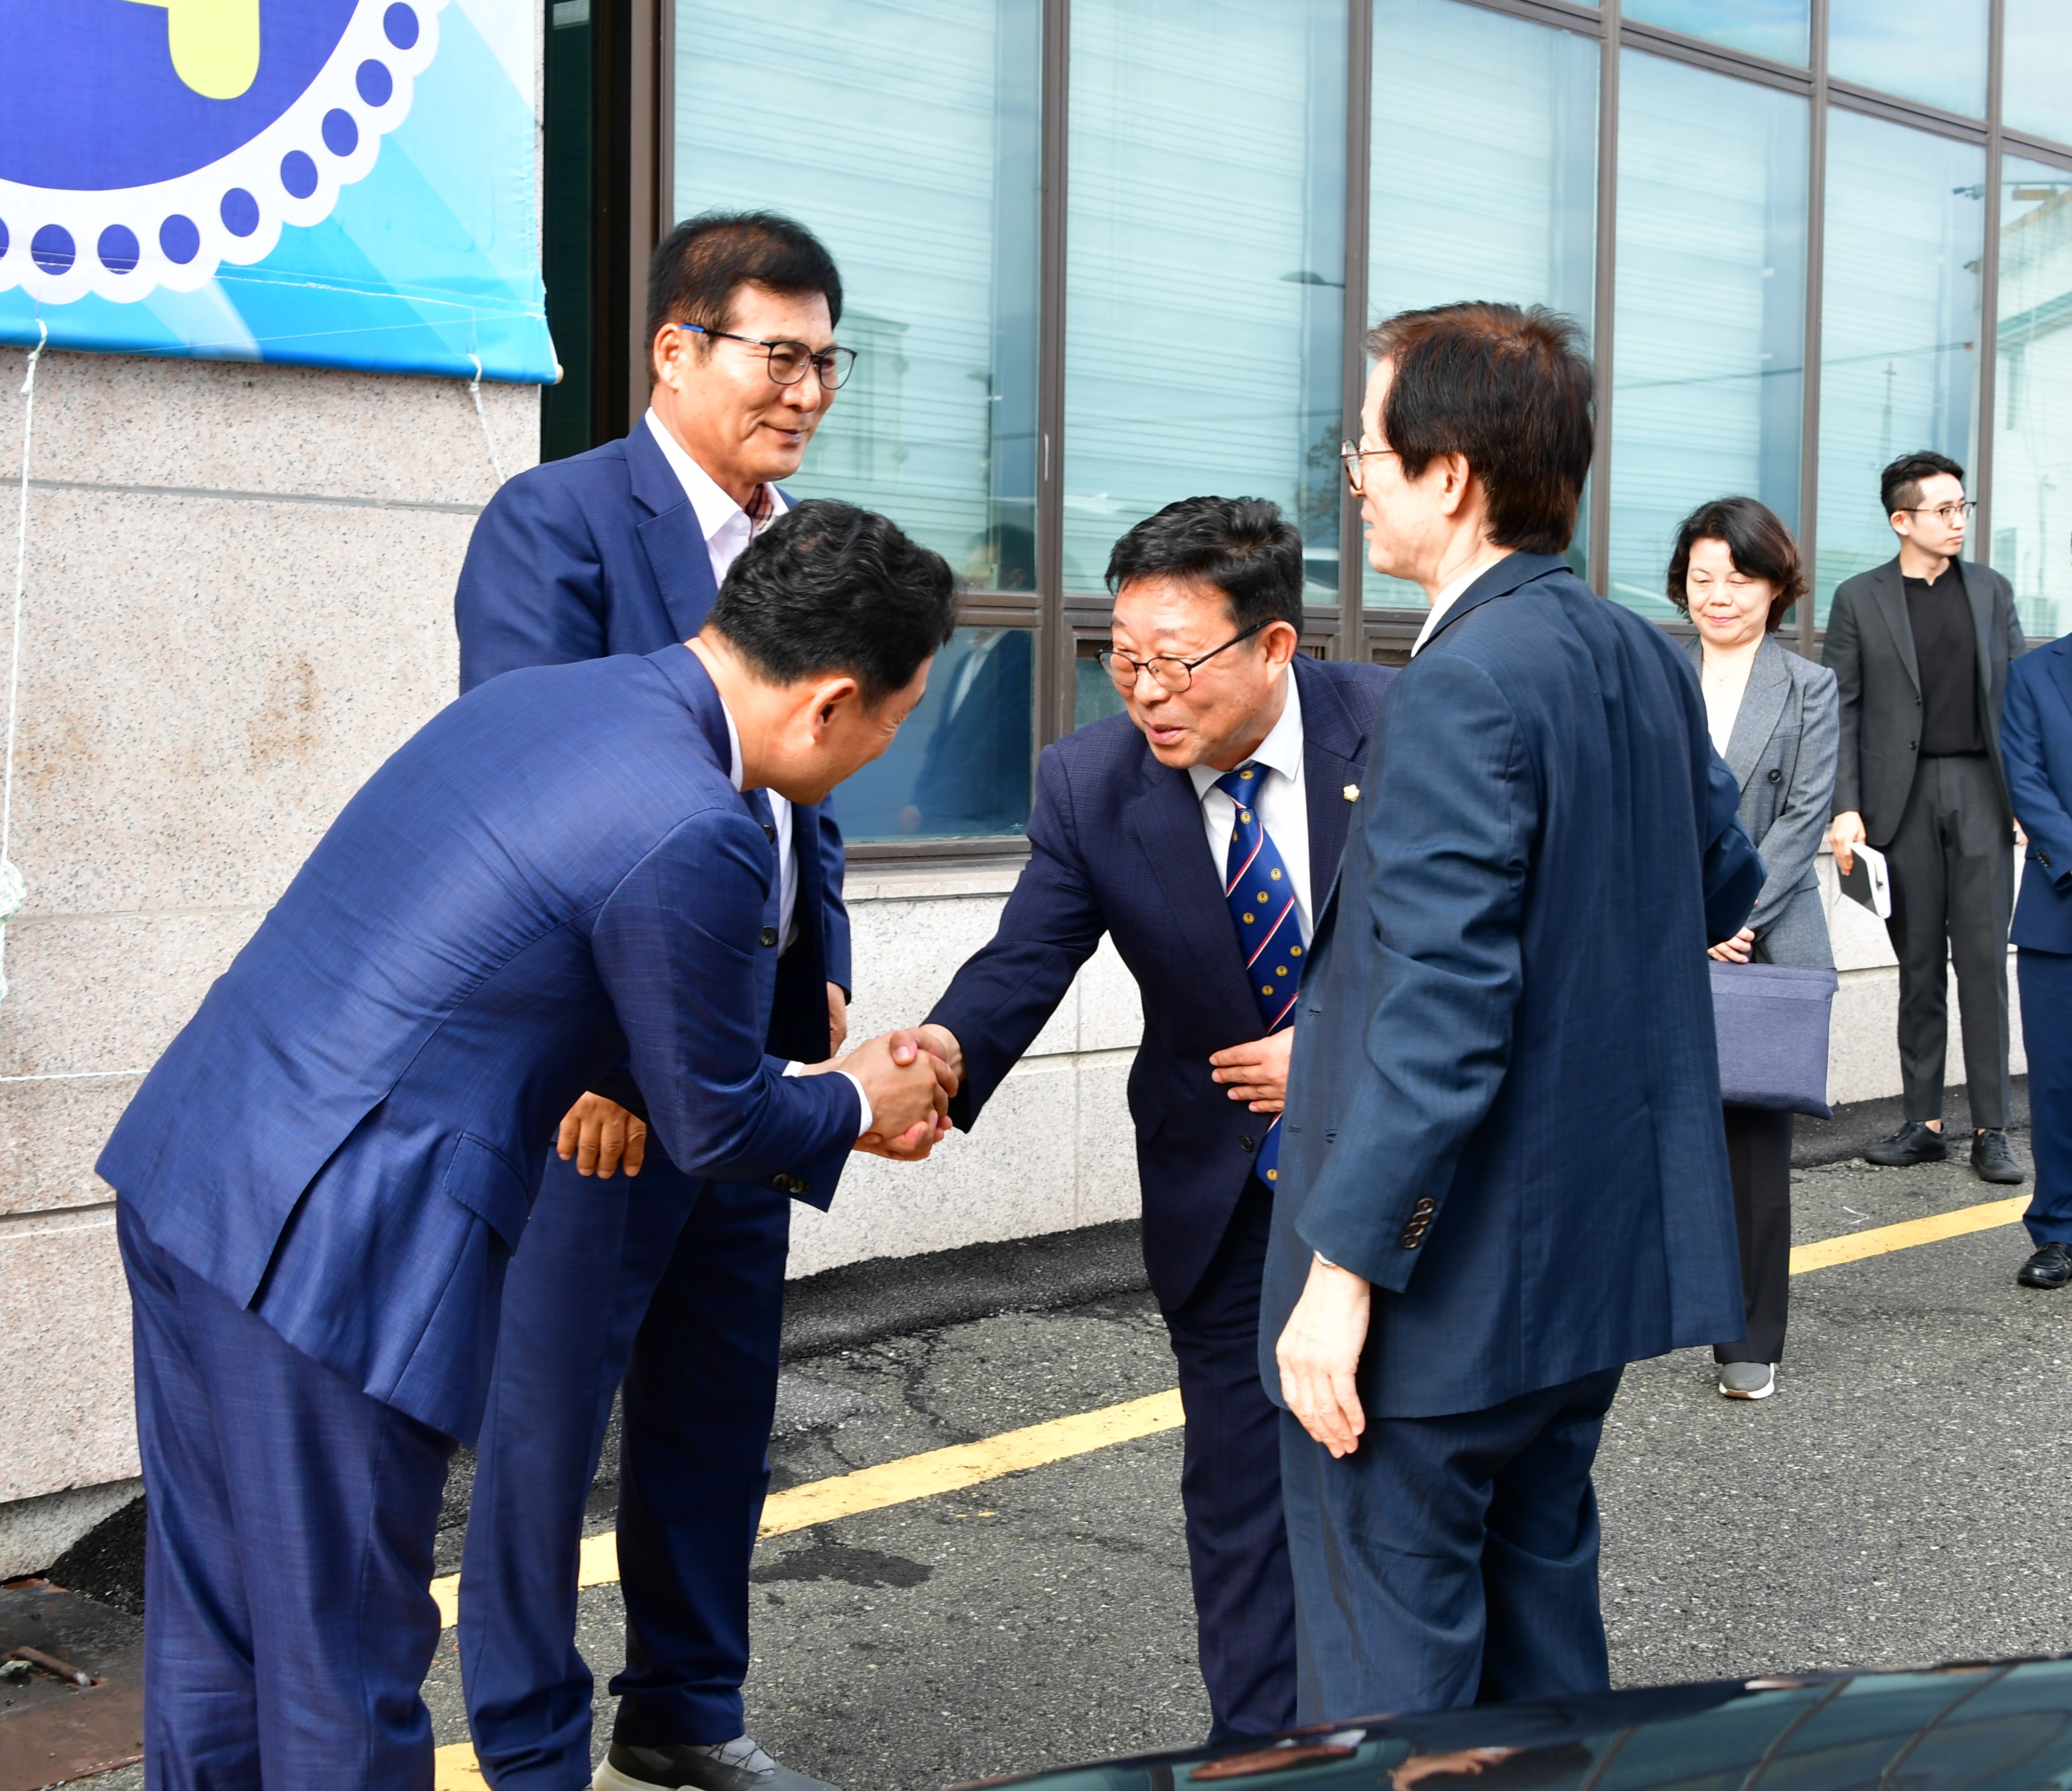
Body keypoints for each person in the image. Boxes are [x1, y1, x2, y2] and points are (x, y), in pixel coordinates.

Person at [95, 500, 960, 1790]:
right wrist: (854, 1099)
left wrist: (821, 1089)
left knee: (221, 1633)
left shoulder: (550, 703)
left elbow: (542, 972)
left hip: (197, 1163)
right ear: (833, 700)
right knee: (343, 1662)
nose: (889, 746)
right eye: (898, 716)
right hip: (334, 1239)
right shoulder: (699, 824)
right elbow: (712, 1118)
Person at [1266, 303, 1764, 1719]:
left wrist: (1342, 1275)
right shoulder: (1637, 652)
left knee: (1394, 1698)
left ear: (1452, 476)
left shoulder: (1461, 683)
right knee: (1546, 1665)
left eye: (1367, 453)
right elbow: (1725, 874)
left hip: (1445, 1296)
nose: (1353, 479)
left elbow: (1443, 1014)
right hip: (1583, 1272)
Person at [453, 213, 859, 1791]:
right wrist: (604, 1062)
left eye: (827, 361)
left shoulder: (801, 550)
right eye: (779, 355)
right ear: (675, 351)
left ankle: (688, 1709)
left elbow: (804, 777)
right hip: (605, 1078)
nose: (805, 391)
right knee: (548, 1431)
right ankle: (529, 1750)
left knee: (715, 1407)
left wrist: (819, 947)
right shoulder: (558, 524)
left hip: (745, 1055)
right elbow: (537, 804)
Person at [906, 496, 1392, 1742]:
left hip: (1403, 1184)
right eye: (1122, 659)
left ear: (1274, 645)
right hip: (1224, 1197)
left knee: (1399, 1491)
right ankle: (1257, 1758)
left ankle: (1403, 1747)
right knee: (1239, 1509)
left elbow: (1484, 951)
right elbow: (1027, 957)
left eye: (1175, 662)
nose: (1145, 692)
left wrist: (1339, 1052)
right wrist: (939, 1059)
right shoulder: (1090, 781)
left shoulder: (1401, 732)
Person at [1669, 497, 1839, 1402]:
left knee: (1751, 1151)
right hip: (1663, 930)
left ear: (1776, 586)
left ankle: (1748, 1337)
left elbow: (1804, 818)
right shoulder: (1653, 670)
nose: (1718, 596)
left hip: (1759, 941)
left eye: (1738, 579)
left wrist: (1731, 915)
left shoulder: (1810, 686)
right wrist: (1687, 916)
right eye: (1702, 578)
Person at [1822, 452, 2028, 1185]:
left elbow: (2020, 701)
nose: (1957, 520)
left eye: (1962, 507)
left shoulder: (1992, 591)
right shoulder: (1859, 598)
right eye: (1943, 510)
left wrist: (2028, 799)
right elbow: (1842, 711)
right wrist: (1846, 807)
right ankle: (1924, 1123)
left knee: (1983, 965)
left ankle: (1993, 1129)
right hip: (1898, 802)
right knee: (1917, 967)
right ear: (1901, 521)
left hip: (1981, 792)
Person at [2002, 628, 2072, 1289]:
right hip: (2062, 905)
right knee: (2058, 1084)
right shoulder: (2033, 674)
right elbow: (2026, 779)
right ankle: (2059, 1230)